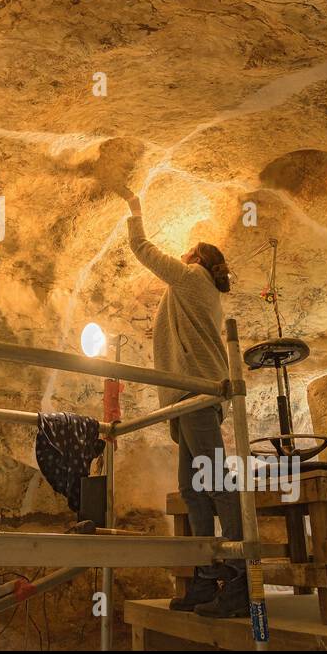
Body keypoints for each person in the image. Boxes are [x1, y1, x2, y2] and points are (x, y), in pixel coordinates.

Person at [124, 194, 243, 618]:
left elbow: (144, 251)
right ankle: (205, 577)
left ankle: (239, 576)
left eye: (188, 249)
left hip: (194, 395)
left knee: (215, 483)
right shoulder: (199, 287)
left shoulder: (192, 276)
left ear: (198, 258)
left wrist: (136, 212)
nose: (183, 253)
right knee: (195, 489)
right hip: (187, 399)